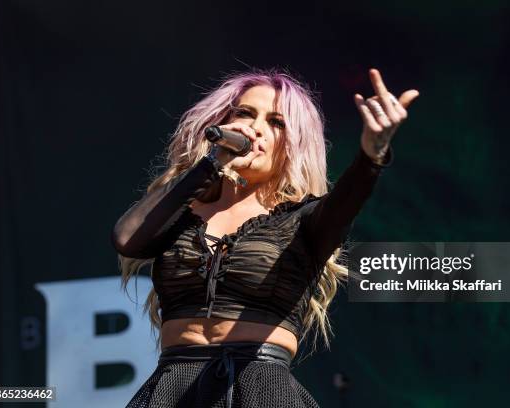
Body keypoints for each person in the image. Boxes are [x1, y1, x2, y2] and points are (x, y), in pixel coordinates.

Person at [111, 67, 419, 408]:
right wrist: (211, 161)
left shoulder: (303, 219)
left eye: (277, 122)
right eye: (244, 113)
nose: (256, 127)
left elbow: (348, 200)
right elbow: (128, 239)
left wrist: (371, 155)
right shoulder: (182, 212)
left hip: (260, 387)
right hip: (174, 387)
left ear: (291, 145)